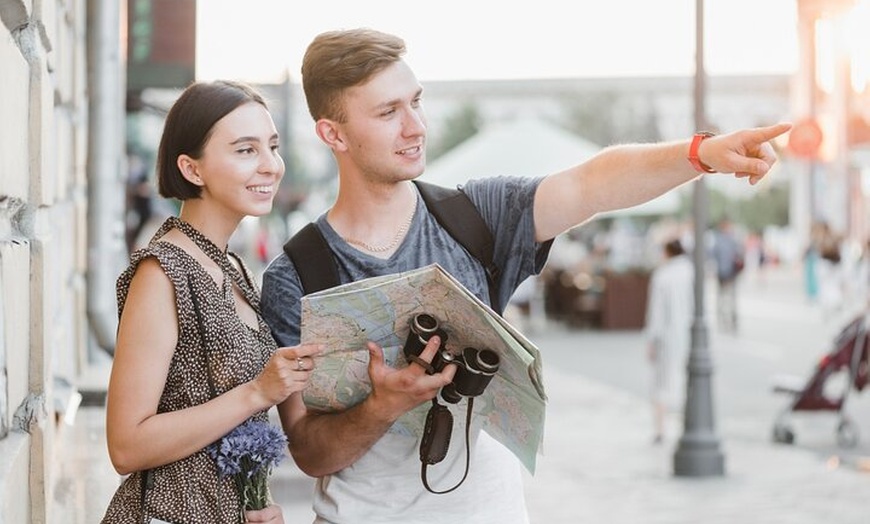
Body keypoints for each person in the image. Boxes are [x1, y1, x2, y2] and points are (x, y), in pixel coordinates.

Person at [259, 28, 791, 524]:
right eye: (388, 111)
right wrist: (383, 404)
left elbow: (592, 185)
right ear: (333, 133)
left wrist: (700, 154)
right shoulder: (296, 276)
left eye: (416, 101)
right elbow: (308, 450)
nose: (416, 126)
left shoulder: (475, 217)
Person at [101, 80, 321, 524]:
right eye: (245, 150)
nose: (271, 166)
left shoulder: (233, 267)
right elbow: (126, 445)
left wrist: (253, 503)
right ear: (192, 169)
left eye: (272, 147)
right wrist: (258, 391)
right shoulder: (161, 272)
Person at [644, 239, 694, 444]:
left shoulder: (662, 276)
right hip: (688, 335)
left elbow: (655, 312)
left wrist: (651, 340)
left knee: (661, 384)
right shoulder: (691, 272)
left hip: (666, 336)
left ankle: (660, 429)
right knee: (685, 382)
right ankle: (685, 426)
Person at [710, 217, 744, 333]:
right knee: (724, 299)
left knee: (729, 299)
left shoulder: (731, 239)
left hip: (730, 274)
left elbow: (739, 255)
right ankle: (724, 320)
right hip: (723, 274)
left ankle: (730, 320)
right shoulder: (722, 239)